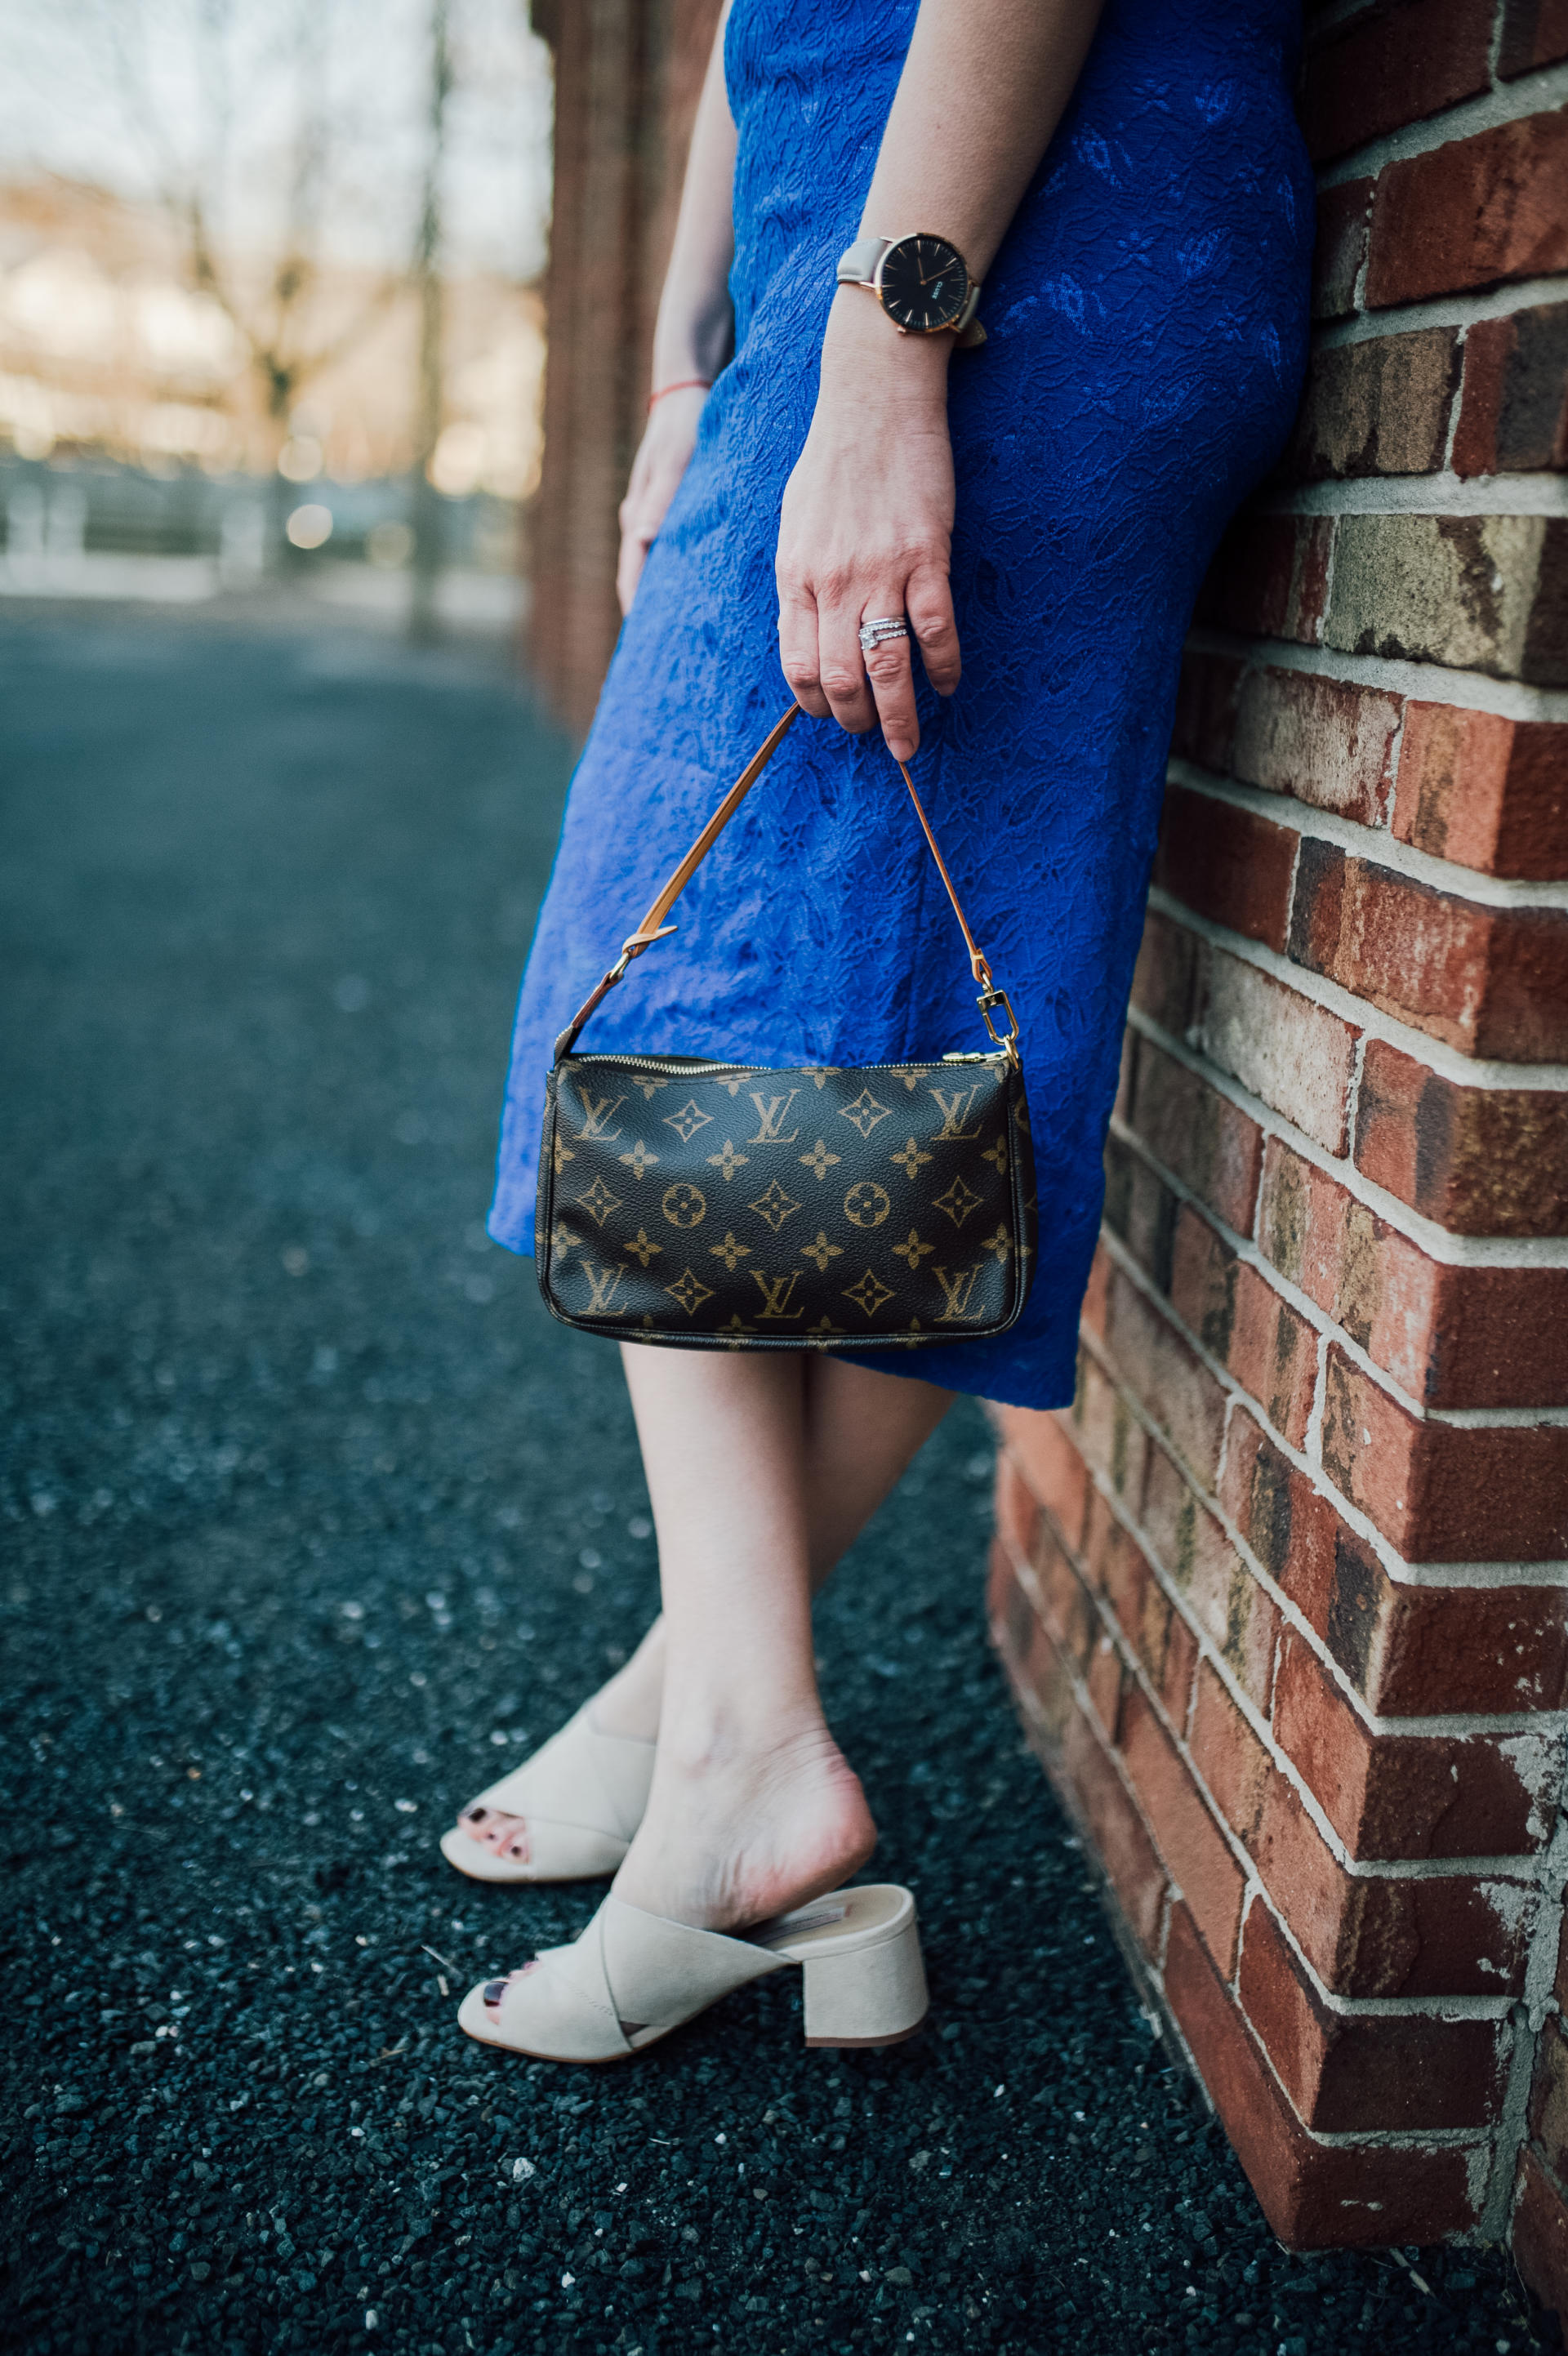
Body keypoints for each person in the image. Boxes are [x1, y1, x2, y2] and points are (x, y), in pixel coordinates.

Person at [448, 0, 1312, 2062]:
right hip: (880, 254)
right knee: (913, 1050)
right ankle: (694, 1702)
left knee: (658, 1003)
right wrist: (690, 356)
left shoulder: (914, 316)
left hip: (999, 255)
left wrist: (886, 347)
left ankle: (740, 1760)